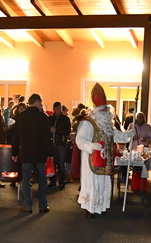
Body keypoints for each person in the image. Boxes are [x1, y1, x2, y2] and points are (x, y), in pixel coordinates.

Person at [76, 83, 135, 218]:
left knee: (102, 182)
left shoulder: (107, 124)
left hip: (105, 159)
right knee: (92, 183)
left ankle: (100, 206)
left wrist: (128, 135)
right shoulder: (87, 123)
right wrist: (91, 146)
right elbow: (80, 140)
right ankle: (89, 208)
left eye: (106, 111)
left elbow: (116, 135)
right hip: (92, 159)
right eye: (102, 111)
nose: (105, 113)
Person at [11, 93, 53, 213]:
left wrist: (14, 153)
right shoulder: (43, 117)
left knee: (26, 179)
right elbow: (47, 136)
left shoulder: (20, 117)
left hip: (26, 152)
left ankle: (27, 205)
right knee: (42, 179)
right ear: (37, 102)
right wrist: (50, 152)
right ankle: (43, 205)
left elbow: (15, 137)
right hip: (40, 153)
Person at [48, 101, 71, 189]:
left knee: (61, 163)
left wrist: (56, 130)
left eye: (60, 108)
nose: (58, 110)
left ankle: (62, 181)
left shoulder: (65, 119)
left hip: (61, 143)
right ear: (53, 109)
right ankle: (52, 181)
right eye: (57, 108)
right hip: (52, 143)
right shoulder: (50, 119)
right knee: (53, 163)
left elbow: (67, 131)